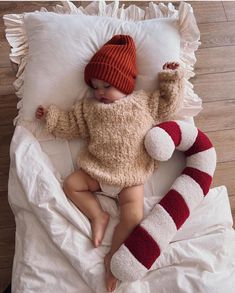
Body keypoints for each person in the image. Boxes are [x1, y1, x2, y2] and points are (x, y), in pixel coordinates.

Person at [35, 34, 183, 292]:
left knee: (134, 215)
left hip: (130, 177)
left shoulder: (143, 102)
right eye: (95, 86)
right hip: (98, 170)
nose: (99, 92)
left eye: (106, 85)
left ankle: (112, 257)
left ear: (125, 83)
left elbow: (168, 105)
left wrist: (171, 79)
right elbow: (72, 126)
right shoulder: (88, 108)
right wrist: (52, 116)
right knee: (71, 184)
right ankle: (97, 215)